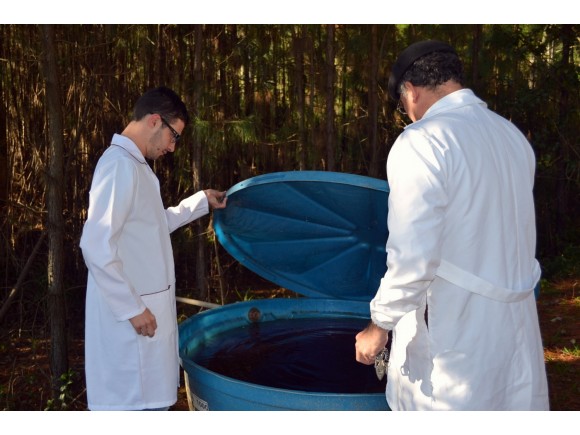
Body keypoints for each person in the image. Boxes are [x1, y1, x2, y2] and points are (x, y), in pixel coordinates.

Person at [355, 40, 549, 410]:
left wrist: (378, 326)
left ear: (410, 92)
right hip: (514, 329)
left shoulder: (422, 141)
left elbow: (413, 258)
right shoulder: (510, 135)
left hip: (454, 338)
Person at [79, 86, 226, 411]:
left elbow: (149, 226)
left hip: (141, 331)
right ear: (155, 121)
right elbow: (95, 243)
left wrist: (199, 202)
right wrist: (131, 308)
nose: (173, 147)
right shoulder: (120, 166)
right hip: (129, 336)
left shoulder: (134, 166)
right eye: (174, 136)